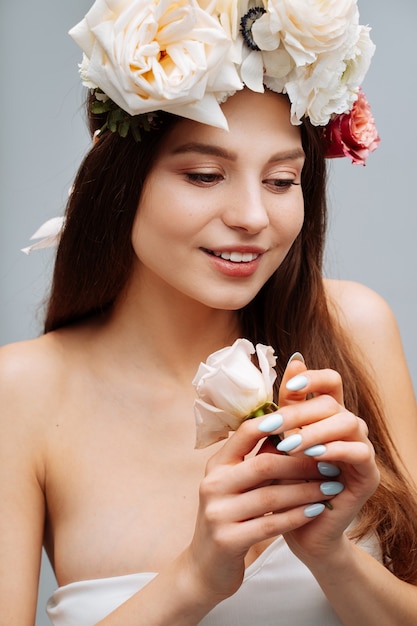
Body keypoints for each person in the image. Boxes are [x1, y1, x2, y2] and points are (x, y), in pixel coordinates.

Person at [1, 1, 417, 625]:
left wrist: (332, 556)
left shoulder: (354, 327)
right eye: (203, 174)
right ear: (117, 177)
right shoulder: (23, 392)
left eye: (281, 181)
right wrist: (196, 577)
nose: (252, 216)